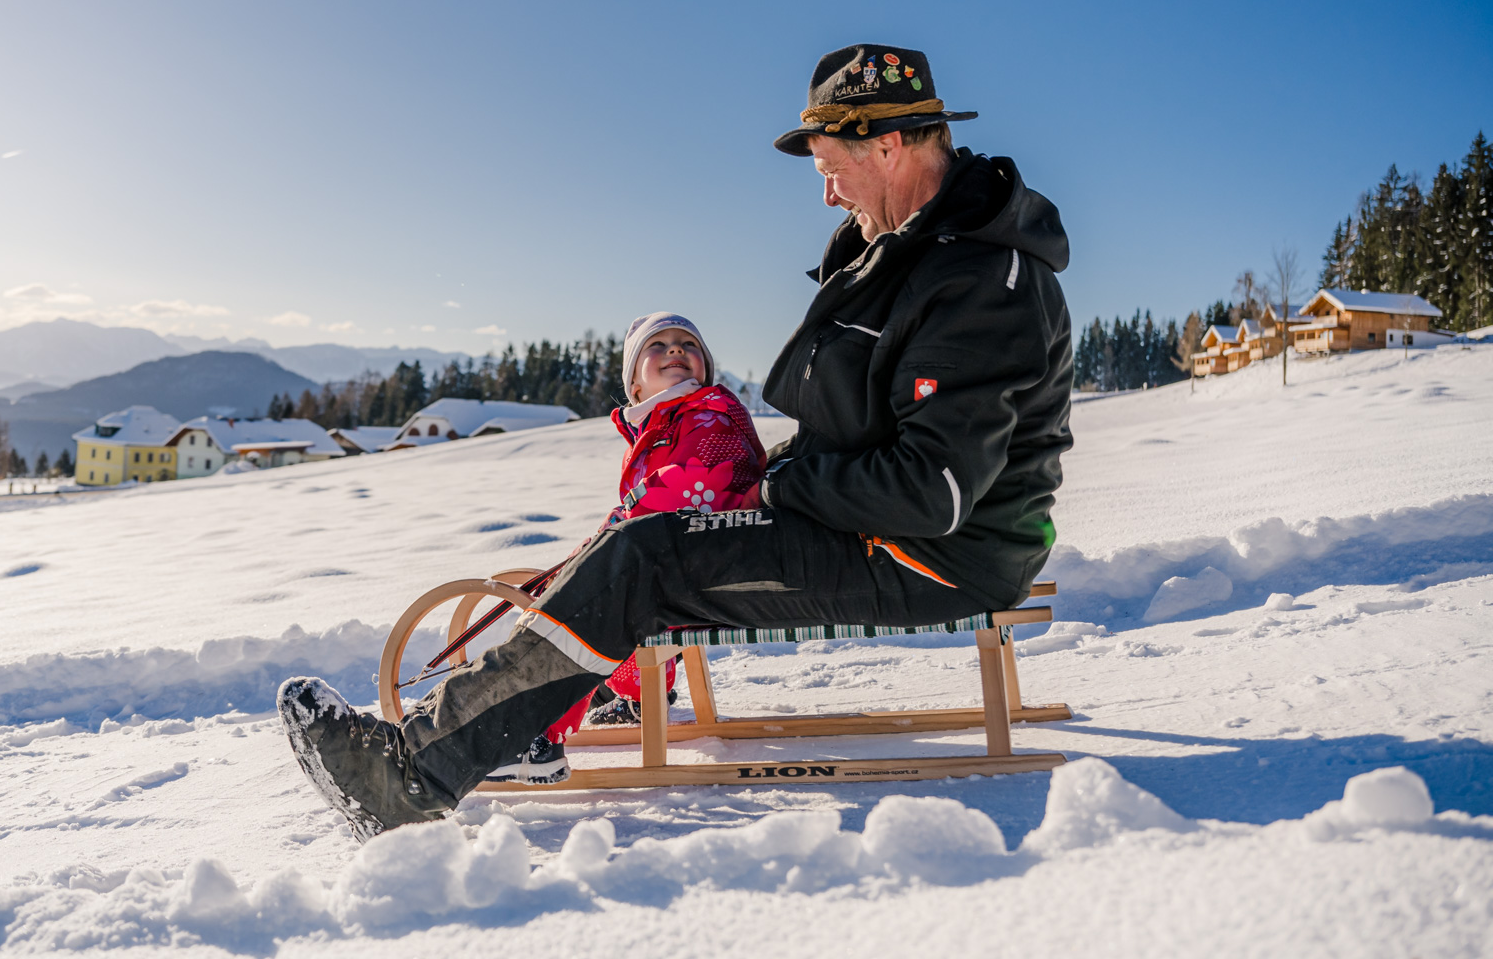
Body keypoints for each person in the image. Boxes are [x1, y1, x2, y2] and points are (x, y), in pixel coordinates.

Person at [280, 41, 1074, 842]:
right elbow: (863, 429)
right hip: (876, 526)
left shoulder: (980, 283)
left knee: (646, 559)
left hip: (931, 557)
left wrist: (776, 489)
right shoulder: (906, 253)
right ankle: (486, 733)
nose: (829, 192)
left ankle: (414, 775)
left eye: (832, 166)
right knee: (641, 544)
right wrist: (784, 478)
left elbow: (928, 490)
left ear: (890, 145)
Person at [482, 312, 768, 786]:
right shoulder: (661, 423)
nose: (676, 350)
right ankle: (632, 697)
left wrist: (612, 537)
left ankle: (536, 738)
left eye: (686, 344)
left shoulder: (709, 412)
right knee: (601, 587)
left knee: (587, 607)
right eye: (659, 346)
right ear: (634, 384)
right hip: (692, 566)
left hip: (713, 567)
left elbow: (696, 488)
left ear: (705, 371)